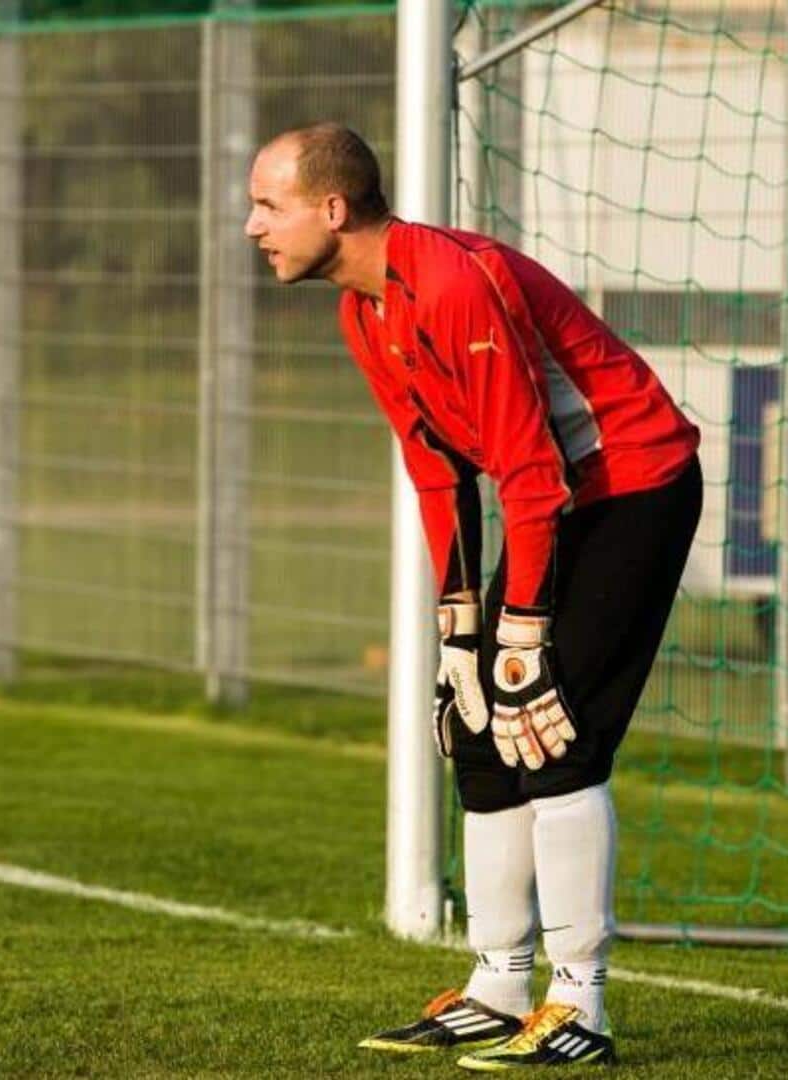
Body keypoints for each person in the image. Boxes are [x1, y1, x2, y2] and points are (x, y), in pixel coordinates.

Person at [244, 121, 701, 1070]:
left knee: (550, 724)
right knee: (476, 725)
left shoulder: (453, 280)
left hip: (632, 487)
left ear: (333, 209)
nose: (253, 226)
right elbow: (440, 472)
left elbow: (531, 472)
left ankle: (581, 1006)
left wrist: (523, 638)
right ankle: (498, 986)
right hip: (558, 501)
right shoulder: (364, 311)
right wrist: (462, 635)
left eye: (268, 205)